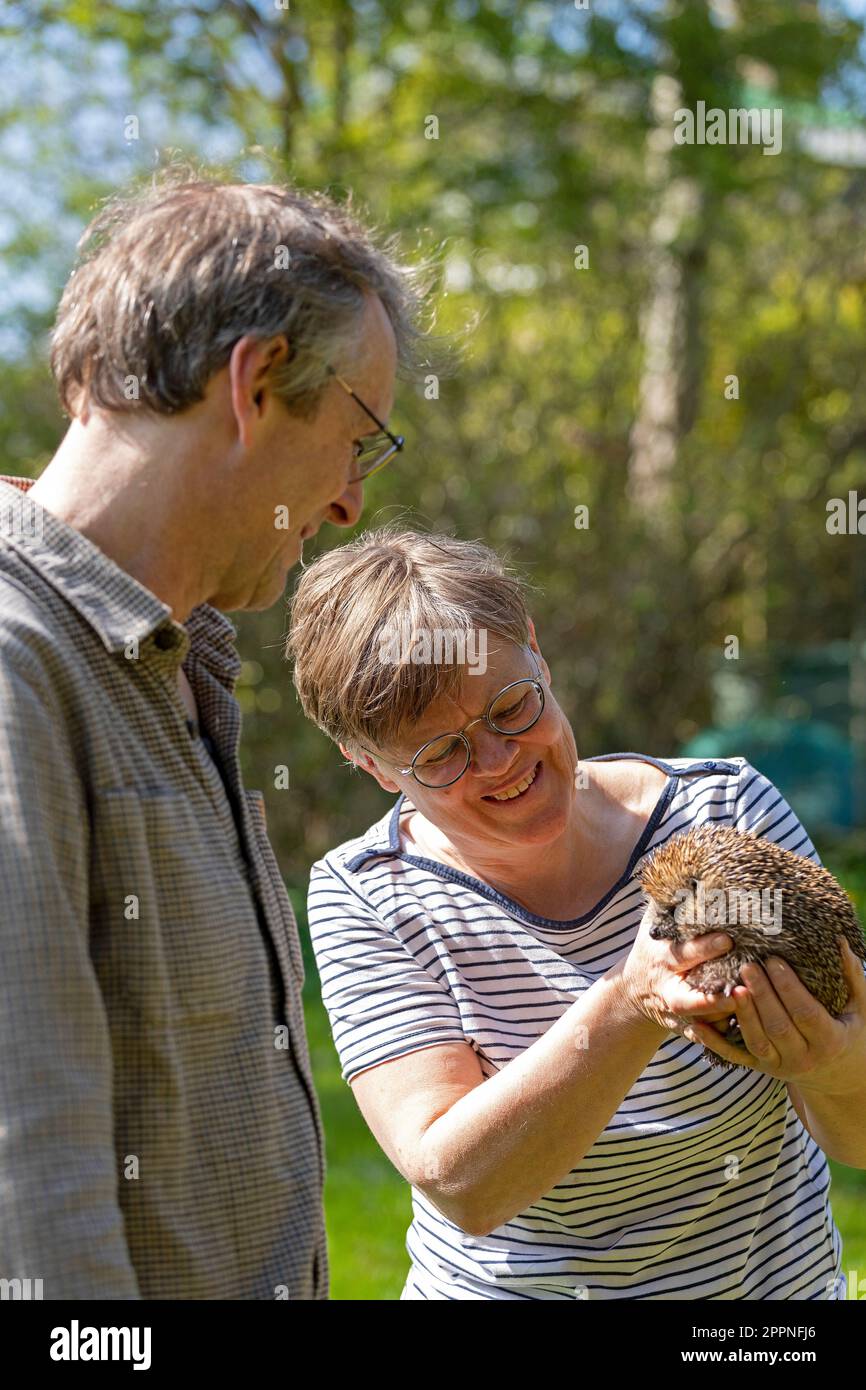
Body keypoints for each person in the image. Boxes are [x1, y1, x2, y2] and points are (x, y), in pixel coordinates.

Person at [0, 170, 431, 1298]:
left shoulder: (175, 666)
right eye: (359, 441)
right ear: (255, 384)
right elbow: (29, 1193)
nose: (349, 502)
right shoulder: (16, 661)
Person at [289, 527, 866, 1300]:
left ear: (535, 650)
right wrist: (629, 1002)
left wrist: (828, 1061)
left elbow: (858, 1131)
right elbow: (463, 1186)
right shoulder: (369, 894)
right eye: (440, 755)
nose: (499, 762)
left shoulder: (727, 809)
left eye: (510, 707)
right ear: (369, 764)